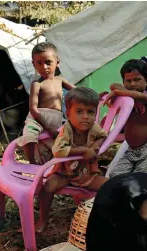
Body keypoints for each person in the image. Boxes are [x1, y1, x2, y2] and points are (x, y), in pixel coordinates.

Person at [36, 87, 108, 233]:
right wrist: (84, 150)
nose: (85, 117)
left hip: (86, 173)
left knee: (108, 186)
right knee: (48, 186)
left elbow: (103, 135)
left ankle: (103, 220)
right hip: (65, 172)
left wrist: (95, 145)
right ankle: (42, 219)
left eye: (90, 112)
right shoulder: (66, 129)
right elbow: (57, 150)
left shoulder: (94, 128)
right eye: (79, 111)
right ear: (68, 114)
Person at [18, 42, 76, 164]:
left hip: (57, 119)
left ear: (57, 61)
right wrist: (48, 127)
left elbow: (78, 91)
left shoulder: (60, 80)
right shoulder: (37, 84)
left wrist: (95, 95)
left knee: (59, 143)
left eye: (48, 62)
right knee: (29, 137)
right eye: (39, 63)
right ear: (34, 64)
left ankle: (57, 165)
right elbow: (33, 109)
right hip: (38, 118)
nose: (44, 67)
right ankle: (32, 162)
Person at [104, 59, 147, 177]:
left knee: (138, 179)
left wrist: (117, 92)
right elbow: (113, 85)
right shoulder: (127, 100)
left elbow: (139, 95)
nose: (133, 84)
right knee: (114, 175)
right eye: (128, 81)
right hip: (131, 150)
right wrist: (119, 91)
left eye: (137, 79)